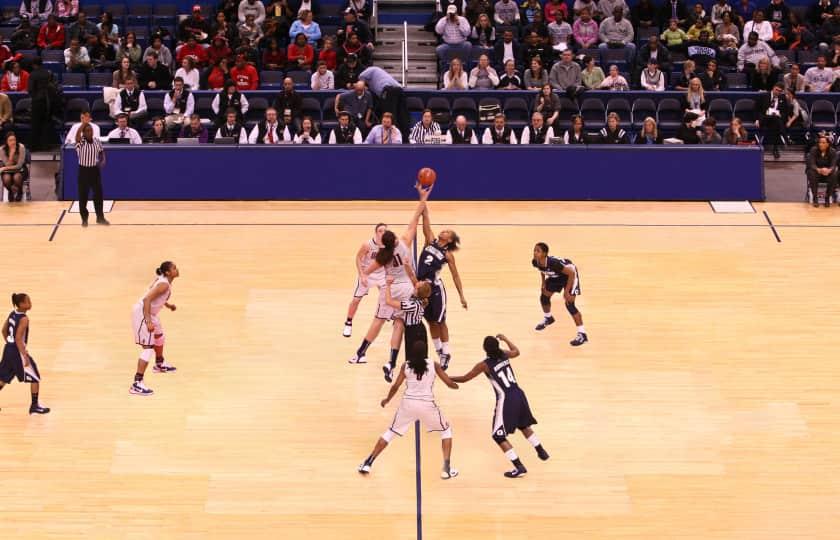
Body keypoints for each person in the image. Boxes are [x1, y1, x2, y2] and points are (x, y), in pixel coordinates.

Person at [350, 184, 429, 365]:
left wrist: (363, 275)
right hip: (407, 288)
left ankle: (360, 353)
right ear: (395, 238)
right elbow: (415, 217)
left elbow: (366, 271)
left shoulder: (382, 257)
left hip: (391, 288)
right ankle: (392, 362)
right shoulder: (405, 241)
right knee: (399, 323)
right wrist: (423, 197)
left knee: (378, 321)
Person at [449, 335, 548, 478]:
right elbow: (517, 351)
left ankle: (519, 467)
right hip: (519, 394)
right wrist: (505, 339)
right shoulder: (504, 354)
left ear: (484, 349)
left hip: (506, 399)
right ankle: (540, 450)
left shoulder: (484, 365)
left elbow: (465, 378)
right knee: (523, 425)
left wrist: (446, 377)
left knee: (498, 436)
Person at [357, 341, 459, 479]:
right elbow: (449, 383)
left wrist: (387, 400)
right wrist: (455, 385)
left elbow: (395, 386)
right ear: (426, 351)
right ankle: (446, 468)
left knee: (390, 432)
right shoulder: (433, 365)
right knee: (446, 431)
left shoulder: (406, 365)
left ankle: (368, 463)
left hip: (408, 404)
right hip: (427, 405)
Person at [416, 204, 466, 370]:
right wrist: (423, 204)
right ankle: (439, 351)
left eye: (447, 232)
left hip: (435, 290)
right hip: (420, 288)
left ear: (449, 240)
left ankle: (446, 351)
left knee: (440, 322)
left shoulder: (447, 255)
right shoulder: (430, 241)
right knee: (430, 322)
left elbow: (455, 275)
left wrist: (461, 295)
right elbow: (426, 224)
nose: (443, 231)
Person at [129, 262, 179, 396]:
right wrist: (148, 321)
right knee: (148, 348)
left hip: (151, 313)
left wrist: (168, 305)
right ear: (168, 272)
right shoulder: (164, 284)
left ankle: (159, 364)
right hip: (143, 313)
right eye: (174, 268)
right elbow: (147, 300)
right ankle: (137, 383)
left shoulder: (163, 281)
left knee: (159, 336)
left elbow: (156, 296)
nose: (177, 270)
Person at [0, 293, 50, 414]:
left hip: (8, 349)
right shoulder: (24, 319)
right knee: (35, 377)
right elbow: (18, 338)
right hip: (17, 352)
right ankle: (34, 406)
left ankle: (35, 405)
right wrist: (24, 355)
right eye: (28, 301)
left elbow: (3, 330)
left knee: (3, 378)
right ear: (21, 304)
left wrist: (9, 344)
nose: (30, 303)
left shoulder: (12, 314)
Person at [532, 242, 586, 345]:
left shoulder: (553, 263)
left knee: (569, 304)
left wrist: (566, 292)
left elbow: (571, 273)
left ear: (545, 254)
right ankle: (548, 318)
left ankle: (582, 334)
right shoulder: (535, 261)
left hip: (569, 274)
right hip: (557, 275)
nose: (535, 253)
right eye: (534, 250)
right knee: (544, 297)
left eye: (538, 251)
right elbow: (541, 270)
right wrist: (543, 283)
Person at [343, 223, 387, 337]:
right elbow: (358, 258)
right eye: (380, 231)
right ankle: (348, 322)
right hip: (367, 274)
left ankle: (387, 314)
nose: (382, 233)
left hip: (381, 274)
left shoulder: (388, 245)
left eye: (384, 231)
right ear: (376, 233)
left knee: (387, 296)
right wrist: (362, 275)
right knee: (356, 300)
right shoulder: (367, 245)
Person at [359, 66, 410, 139]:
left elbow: (361, 78)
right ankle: (405, 139)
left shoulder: (371, 69)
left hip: (388, 91)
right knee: (402, 116)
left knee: (390, 116)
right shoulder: (378, 78)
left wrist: (359, 85)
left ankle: (392, 139)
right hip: (400, 90)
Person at [74, 123, 109, 226]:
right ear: (84, 133)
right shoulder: (81, 142)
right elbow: (77, 136)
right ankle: (84, 219)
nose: (90, 132)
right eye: (88, 131)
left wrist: (103, 160)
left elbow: (101, 151)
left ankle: (100, 218)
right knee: (83, 196)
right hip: (83, 171)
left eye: (91, 130)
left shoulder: (97, 141)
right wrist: (83, 124)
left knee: (98, 194)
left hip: (94, 170)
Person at [755, 82, 789, 158]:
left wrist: (780, 115)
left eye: (780, 91)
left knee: (776, 122)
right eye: (776, 90)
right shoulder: (764, 96)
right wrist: (757, 119)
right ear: (773, 88)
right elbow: (757, 109)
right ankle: (785, 137)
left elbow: (785, 112)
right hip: (765, 119)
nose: (777, 92)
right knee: (778, 122)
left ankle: (775, 148)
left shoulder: (783, 98)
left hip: (775, 121)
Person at [806, 135, 838, 207]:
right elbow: (812, 163)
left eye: (823, 143)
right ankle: (815, 198)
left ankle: (827, 197)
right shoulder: (813, 150)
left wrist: (829, 170)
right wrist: (819, 169)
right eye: (820, 142)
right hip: (816, 172)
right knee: (811, 172)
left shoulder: (833, 151)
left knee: (835, 173)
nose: (821, 144)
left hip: (828, 174)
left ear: (828, 144)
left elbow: (833, 165)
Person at [0, 132, 26, 202]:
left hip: (20, 170)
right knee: (6, 179)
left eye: (14, 140)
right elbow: (7, 164)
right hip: (7, 170)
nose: (13, 142)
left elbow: (19, 166)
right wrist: (11, 154)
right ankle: (10, 191)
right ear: (6, 141)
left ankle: (20, 191)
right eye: (10, 140)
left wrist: (4, 168)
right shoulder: (2, 149)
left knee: (17, 177)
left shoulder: (21, 147)